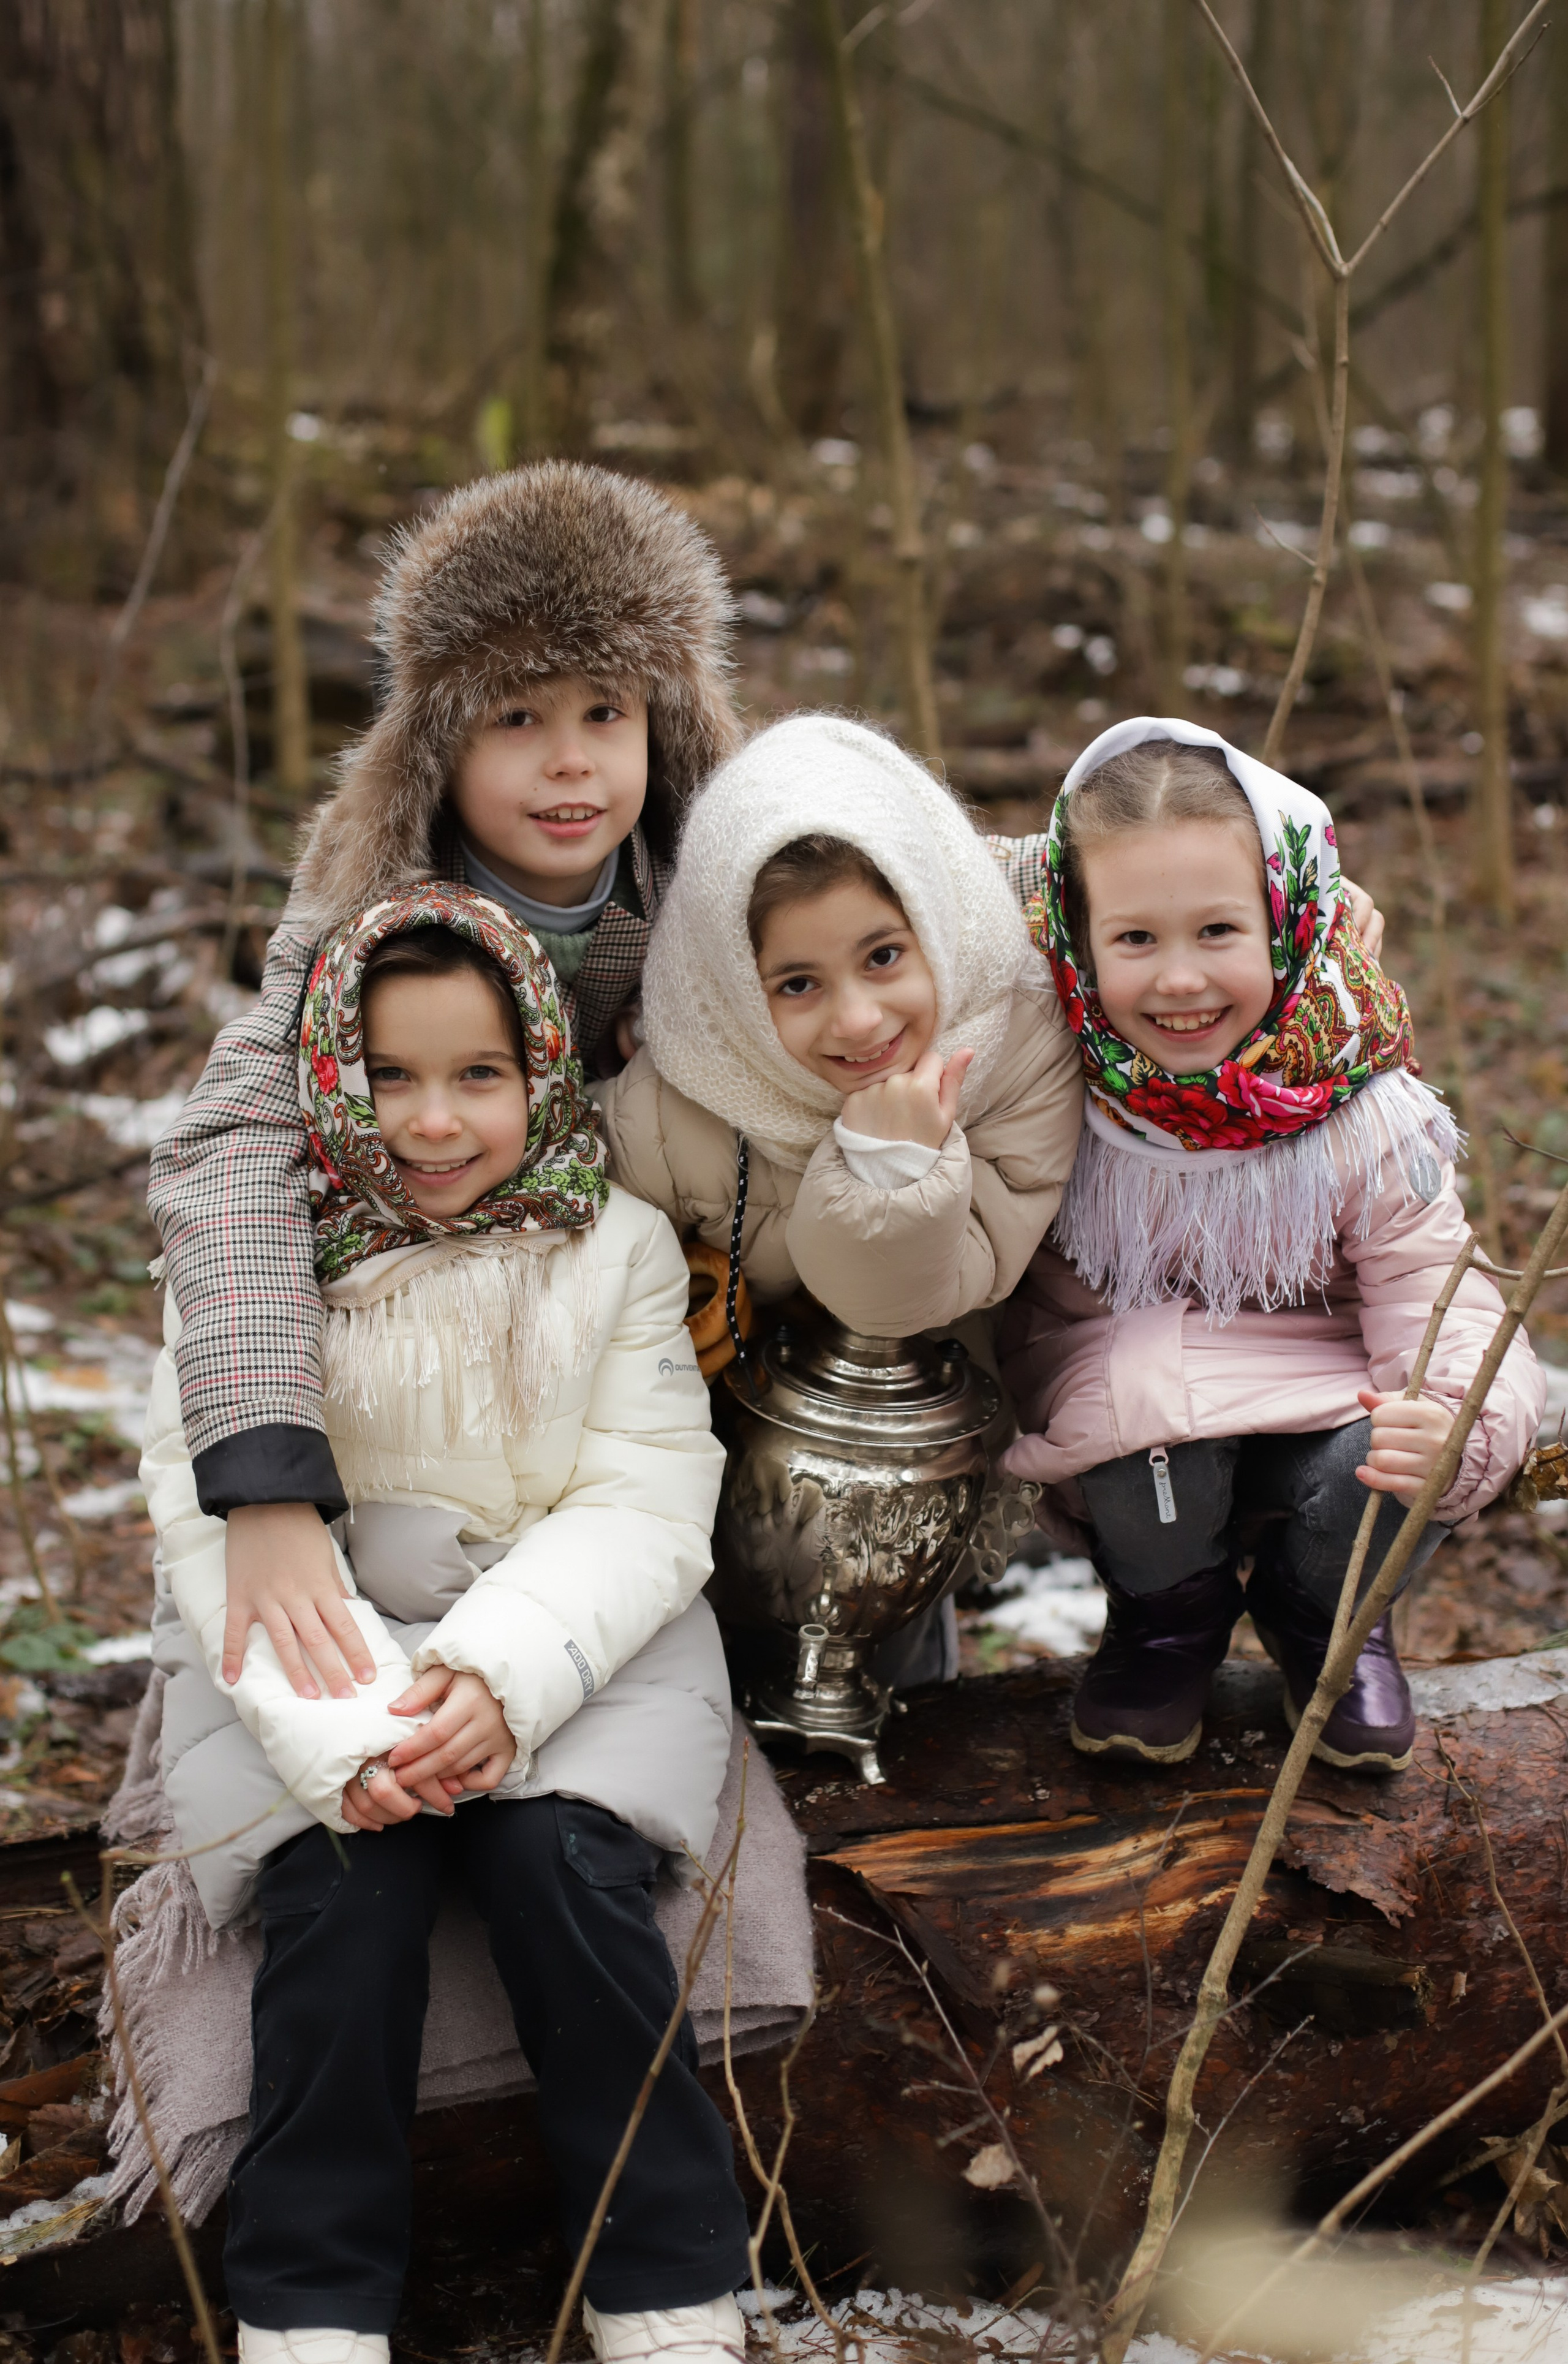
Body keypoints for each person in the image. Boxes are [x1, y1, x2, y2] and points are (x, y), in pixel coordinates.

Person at [141, 885, 749, 2364]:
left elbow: (646, 1496)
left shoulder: (612, 1247)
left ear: (540, 1071)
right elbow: (200, 1505)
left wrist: (502, 1669)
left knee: (565, 1871)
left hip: (573, 1618)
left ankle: (668, 2272)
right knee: (347, 1899)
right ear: (331, 1085)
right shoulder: (255, 1258)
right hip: (314, 1635)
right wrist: (344, 1733)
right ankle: (311, 2295)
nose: (432, 1121)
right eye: (390, 1077)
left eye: (478, 1075)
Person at [146, 461, 741, 1710]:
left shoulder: (704, 880)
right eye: (515, 719)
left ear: (661, 723)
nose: (568, 765)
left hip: (646, 1325)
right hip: (416, 1327)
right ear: (440, 739)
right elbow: (235, 1136)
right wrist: (264, 1473)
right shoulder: (372, 909)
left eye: (603, 714)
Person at [998, 717, 1544, 1773]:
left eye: (1218, 932)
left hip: (1328, 1404)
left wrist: (1455, 1416)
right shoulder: (1049, 1077)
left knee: (1403, 1444)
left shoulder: (1353, 1096)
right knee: (1144, 1417)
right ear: (1072, 934)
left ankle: (1325, 1622)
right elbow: (892, 877)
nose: (1180, 981)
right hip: (1145, 1429)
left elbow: (1436, 1285)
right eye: (1136, 940)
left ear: (1290, 918)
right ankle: (1169, 1624)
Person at [596, 714, 1085, 1673]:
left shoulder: (1017, 1038)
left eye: (884, 958)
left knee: (896, 1695)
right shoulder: (679, 1090)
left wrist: (890, 1169)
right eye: (796, 984)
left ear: (934, 925)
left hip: (916, 1472)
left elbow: (948, 1279)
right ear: (733, 986)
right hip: (712, 1475)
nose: (859, 1020)